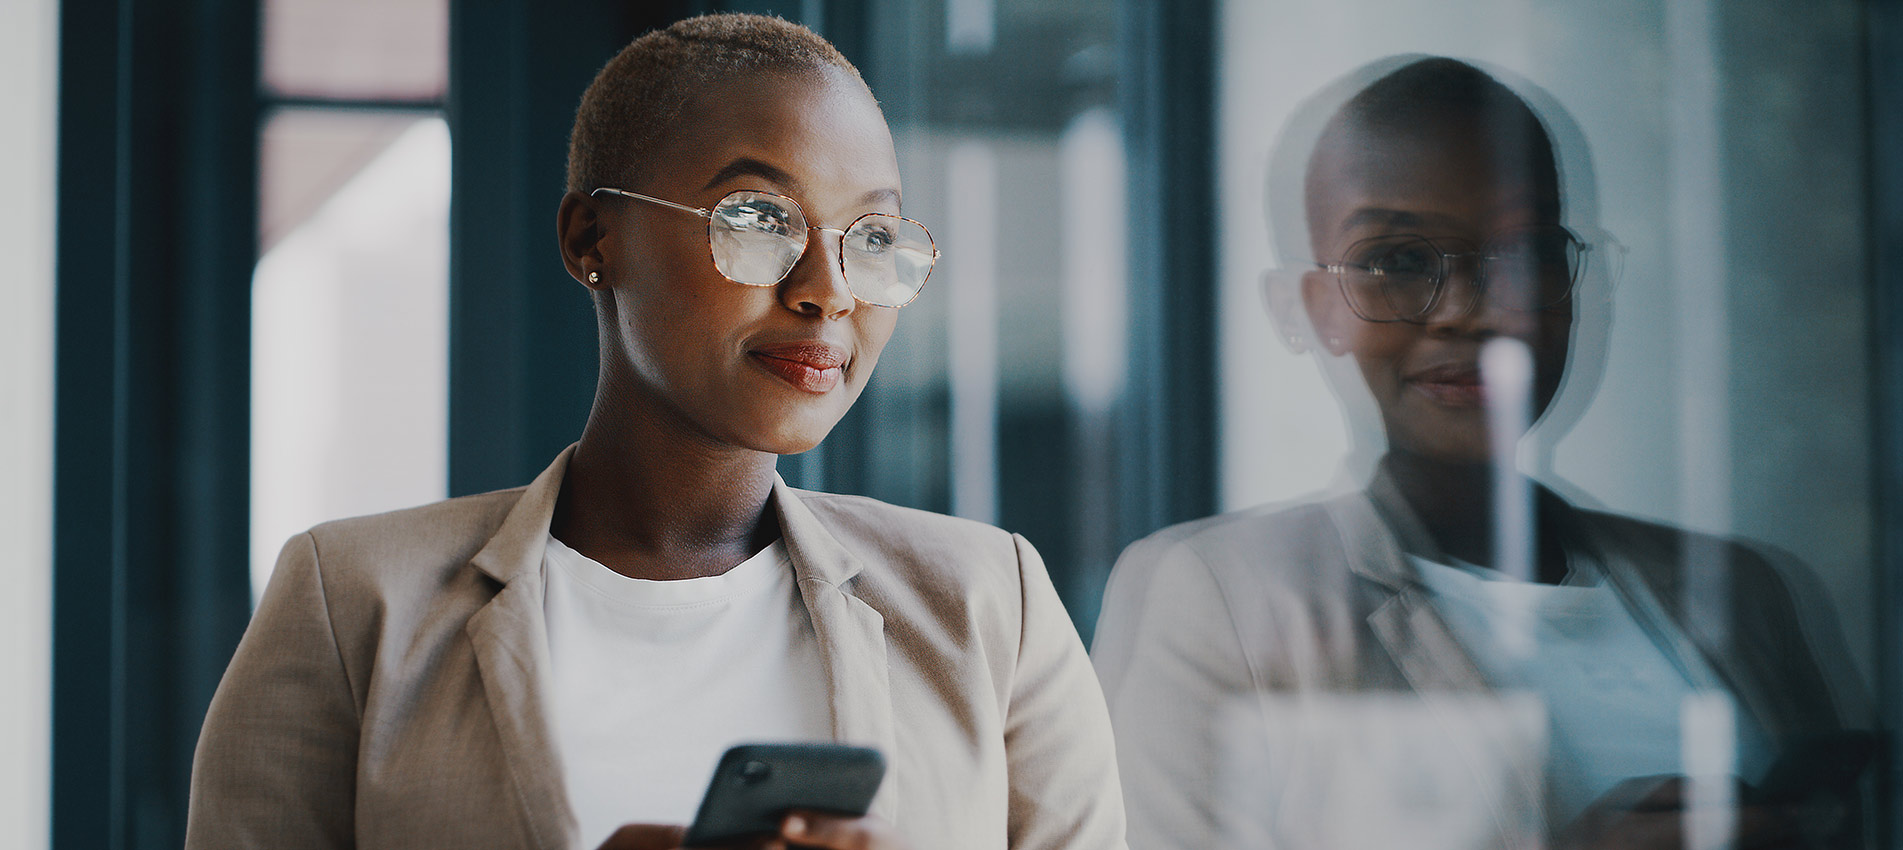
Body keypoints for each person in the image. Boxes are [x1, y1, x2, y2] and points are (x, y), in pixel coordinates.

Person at [186, 14, 1124, 850]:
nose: (826, 290)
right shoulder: (352, 609)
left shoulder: (987, 607)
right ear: (593, 240)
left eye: (870, 238)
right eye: (759, 220)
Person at [1092, 57, 1860, 850]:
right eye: (1396, 260)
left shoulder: (1741, 594)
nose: (1466, 311)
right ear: (1308, 309)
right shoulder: (1223, 599)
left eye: (1522, 253)